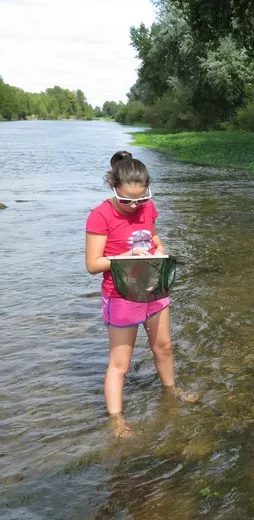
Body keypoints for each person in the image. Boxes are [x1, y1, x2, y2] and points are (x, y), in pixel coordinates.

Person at [85, 157, 194, 438]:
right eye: (127, 200)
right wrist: (126, 256)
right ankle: (117, 421)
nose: (135, 206)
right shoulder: (100, 215)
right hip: (121, 296)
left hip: (152, 288)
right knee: (120, 364)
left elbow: (155, 239)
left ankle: (171, 392)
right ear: (112, 186)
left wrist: (160, 251)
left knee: (165, 347)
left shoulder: (148, 207)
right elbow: (93, 264)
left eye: (141, 199)